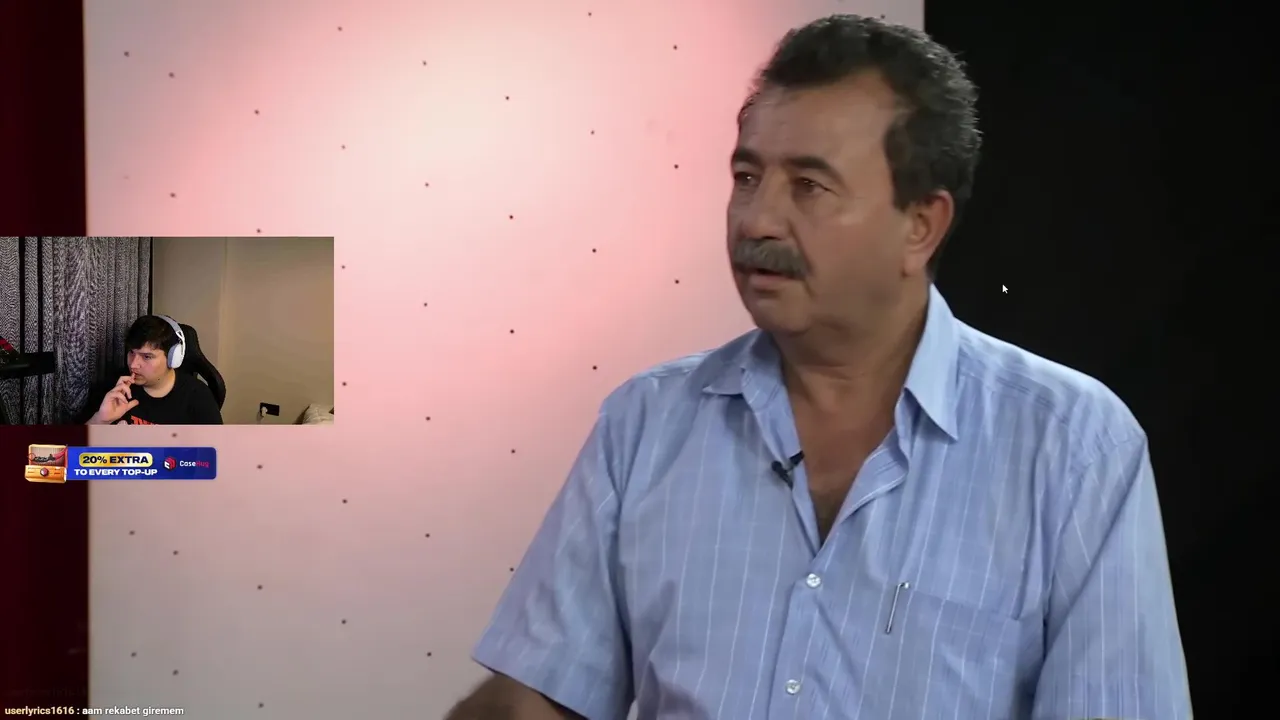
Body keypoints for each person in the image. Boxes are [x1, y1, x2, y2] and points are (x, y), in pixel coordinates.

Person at [447, 14, 1191, 720]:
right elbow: (540, 699)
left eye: (808, 185)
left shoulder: (1071, 446)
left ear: (920, 226)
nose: (756, 219)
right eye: (747, 177)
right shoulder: (646, 424)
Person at [83, 315, 222, 425]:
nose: (133, 365)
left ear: (173, 359)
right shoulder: (115, 388)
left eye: (147, 357)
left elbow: (216, 450)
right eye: (131, 352)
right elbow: (74, 446)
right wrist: (100, 420)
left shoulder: (198, 397)